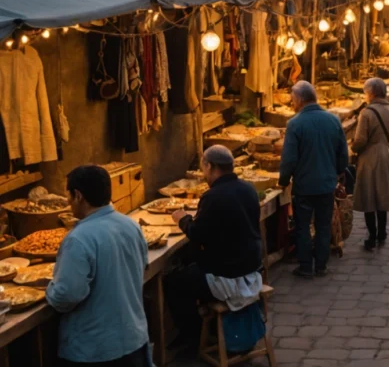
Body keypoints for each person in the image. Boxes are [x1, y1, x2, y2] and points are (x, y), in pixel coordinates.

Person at [47, 165, 150, 367]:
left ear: (78, 195)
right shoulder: (130, 225)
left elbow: (66, 296)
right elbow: (143, 265)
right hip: (134, 339)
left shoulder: (78, 239)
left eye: (67, 195)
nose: (67, 202)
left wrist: (49, 288)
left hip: (96, 350)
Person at [167, 146, 262, 347]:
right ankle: (205, 328)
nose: (204, 174)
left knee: (174, 283)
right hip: (251, 266)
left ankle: (192, 339)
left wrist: (183, 219)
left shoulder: (213, 196)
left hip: (228, 274)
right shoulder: (248, 189)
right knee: (189, 267)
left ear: (209, 166)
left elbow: (198, 235)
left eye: (204, 169)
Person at [280, 81, 348, 277]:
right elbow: (343, 153)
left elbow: (289, 159)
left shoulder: (295, 124)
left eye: (293, 100)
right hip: (326, 184)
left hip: (304, 186)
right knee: (323, 225)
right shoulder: (333, 120)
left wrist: (283, 181)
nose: (292, 104)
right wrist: (338, 172)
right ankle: (321, 265)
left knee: (302, 226)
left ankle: (305, 266)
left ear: (300, 100)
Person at [352, 78, 389, 251]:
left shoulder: (366, 113)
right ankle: (382, 232)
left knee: (368, 197)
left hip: (370, 157)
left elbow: (360, 140)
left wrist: (353, 147)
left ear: (371, 93)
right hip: (387, 154)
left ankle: (372, 235)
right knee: (382, 195)